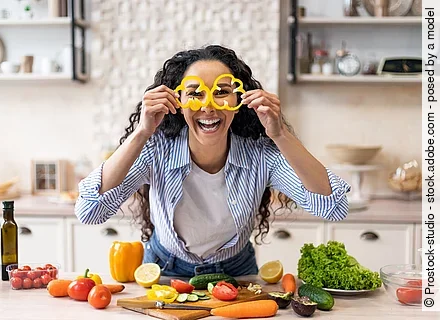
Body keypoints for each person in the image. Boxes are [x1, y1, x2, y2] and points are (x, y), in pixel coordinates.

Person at [75, 45, 351, 278]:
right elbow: (89, 210)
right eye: (195, 93)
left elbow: (334, 207)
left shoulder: (261, 154)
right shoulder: (155, 149)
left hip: (237, 273)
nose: (209, 106)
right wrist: (142, 133)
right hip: (164, 271)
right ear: (177, 100)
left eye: (221, 92)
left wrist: (280, 134)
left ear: (239, 99)